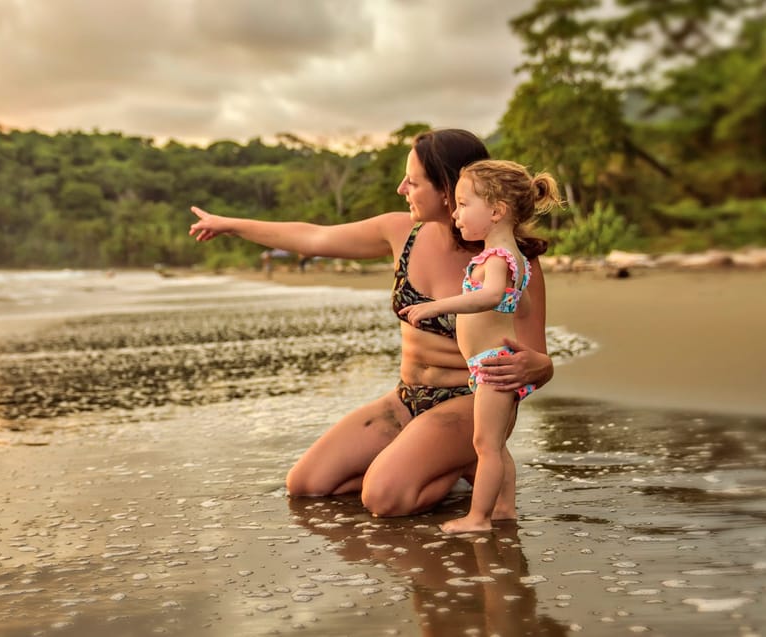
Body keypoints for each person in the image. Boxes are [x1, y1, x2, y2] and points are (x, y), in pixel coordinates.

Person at [187, 128, 554, 519]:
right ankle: (433, 464)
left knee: (383, 499)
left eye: (413, 182)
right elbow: (314, 238)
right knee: (306, 485)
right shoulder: (401, 232)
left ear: (447, 190)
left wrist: (537, 366)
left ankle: (457, 462)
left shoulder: (511, 260)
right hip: (406, 398)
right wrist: (231, 224)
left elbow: (540, 360)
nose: (401, 189)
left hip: (471, 404)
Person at [398, 159, 560, 533]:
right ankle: (503, 508)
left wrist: (436, 306)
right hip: (491, 363)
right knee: (496, 445)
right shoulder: (513, 257)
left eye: (463, 204)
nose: (455, 214)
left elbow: (489, 296)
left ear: (497, 211)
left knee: (485, 446)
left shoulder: (499, 257)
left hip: (492, 365)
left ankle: (478, 517)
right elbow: (522, 304)